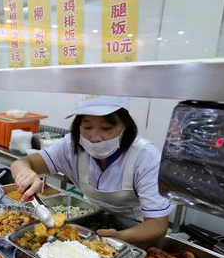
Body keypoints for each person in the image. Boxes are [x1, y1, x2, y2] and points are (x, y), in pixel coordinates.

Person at [11, 96, 172, 243]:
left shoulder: (145, 157)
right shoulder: (70, 146)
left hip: (135, 233)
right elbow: (22, 163)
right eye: (87, 127)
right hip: (91, 223)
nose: (95, 137)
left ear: (125, 126)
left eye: (107, 128)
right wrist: (26, 173)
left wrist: (118, 237)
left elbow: (158, 225)